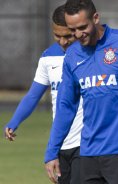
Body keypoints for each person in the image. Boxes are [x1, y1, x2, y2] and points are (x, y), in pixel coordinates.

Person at [44, 0, 118, 183]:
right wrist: (52, 152)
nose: (78, 34)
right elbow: (66, 107)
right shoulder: (72, 55)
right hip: (88, 151)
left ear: (96, 18)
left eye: (83, 27)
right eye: (72, 29)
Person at [4, 5, 83, 184]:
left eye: (68, 36)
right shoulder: (48, 57)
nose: (63, 42)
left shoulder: (91, 55)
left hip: (88, 142)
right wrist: (14, 121)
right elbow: (33, 95)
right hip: (61, 141)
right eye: (58, 36)